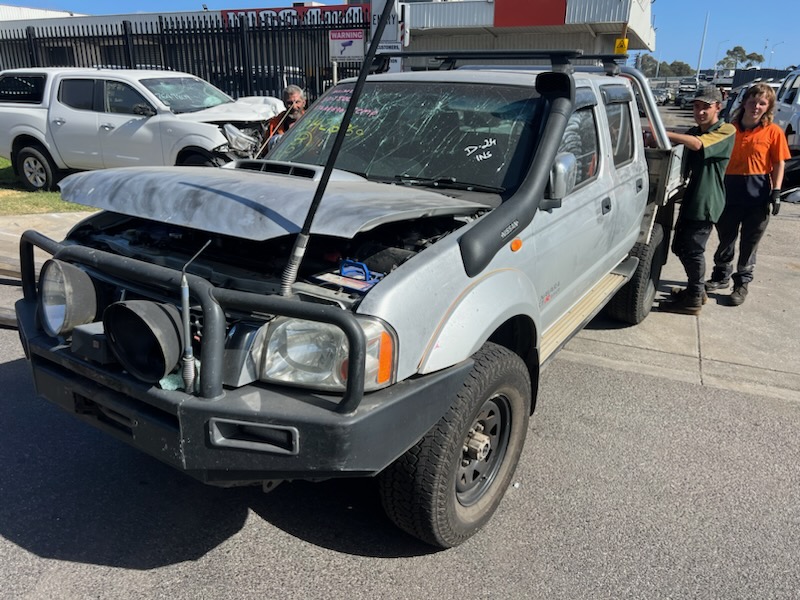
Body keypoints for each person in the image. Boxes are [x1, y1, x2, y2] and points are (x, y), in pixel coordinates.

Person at [705, 82, 791, 306]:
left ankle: (741, 284)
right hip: (729, 191)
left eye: (762, 103)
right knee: (726, 237)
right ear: (744, 102)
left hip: (758, 194)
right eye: (753, 101)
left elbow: (778, 163)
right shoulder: (729, 129)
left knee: (750, 242)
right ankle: (721, 276)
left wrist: (777, 191)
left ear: (768, 107)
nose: (756, 106)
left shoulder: (773, 132)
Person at [659, 84, 736, 315]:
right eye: (697, 107)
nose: (700, 112)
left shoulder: (726, 130)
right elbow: (683, 140)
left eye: (706, 107)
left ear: (718, 108)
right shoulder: (696, 130)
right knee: (680, 246)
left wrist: (659, 131)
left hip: (707, 199)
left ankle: (693, 297)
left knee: (692, 249)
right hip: (693, 196)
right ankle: (697, 291)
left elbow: (697, 145)